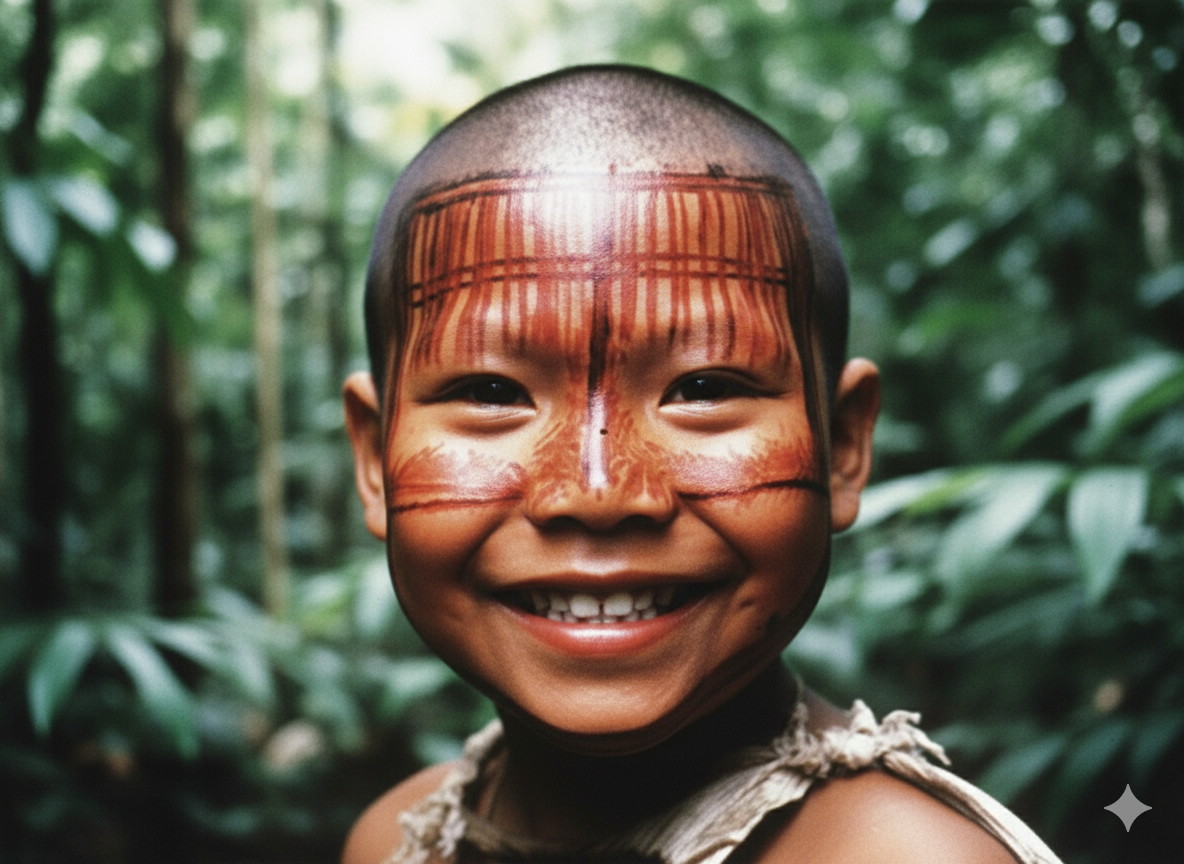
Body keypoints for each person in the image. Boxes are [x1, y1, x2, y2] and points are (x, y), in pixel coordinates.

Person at [341, 65, 1062, 864]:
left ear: (845, 446)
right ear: (374, 457)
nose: (598, 490)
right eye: (490, 391)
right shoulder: (395, 840)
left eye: (704, 387)